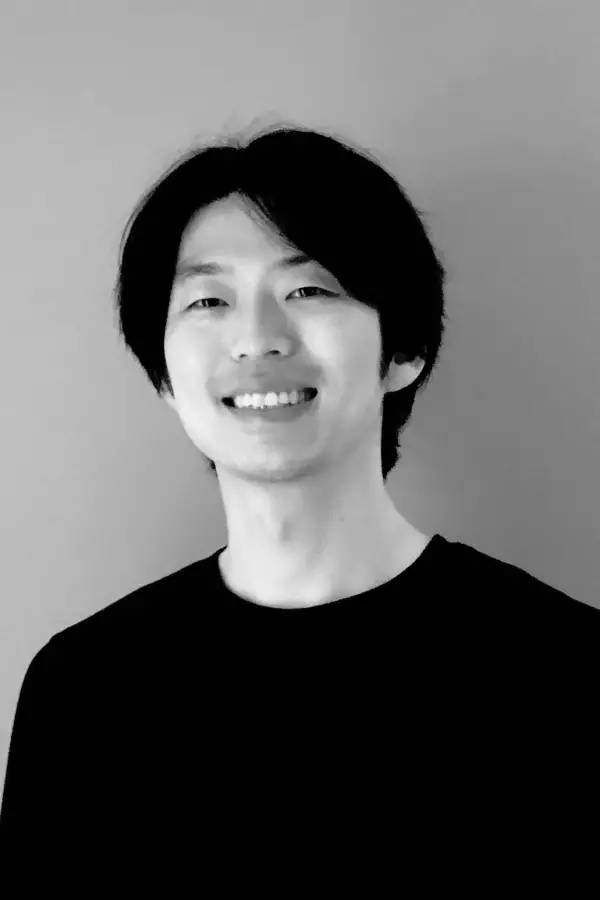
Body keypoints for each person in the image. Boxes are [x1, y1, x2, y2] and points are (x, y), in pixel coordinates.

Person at [1, 121, 597, 884]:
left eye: (308, 290)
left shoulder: (569, 669)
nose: (257, 339)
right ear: (164, 375)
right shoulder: (85, 691)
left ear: (404, 350)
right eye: (208, 300)